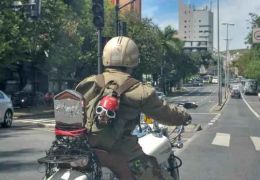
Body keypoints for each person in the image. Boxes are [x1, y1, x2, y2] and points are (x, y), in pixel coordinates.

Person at [76, 36, 191, 180]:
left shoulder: (88, 83)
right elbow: (166, 114)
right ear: (133, 59)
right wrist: (184, 116)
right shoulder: (139, 90)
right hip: (124, 154)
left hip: (86, 150)